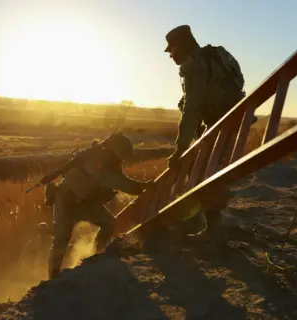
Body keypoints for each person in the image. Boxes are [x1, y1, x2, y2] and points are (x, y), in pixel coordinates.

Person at [164, 24, 252, 242]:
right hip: (231, 121)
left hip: (223, 124)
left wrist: (180, 148)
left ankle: (208, 227)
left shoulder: (196, 67)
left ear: (182, 46)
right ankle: (207, 222)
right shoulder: (213, 57)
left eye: (172, 49)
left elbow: (192, 109)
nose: (171, 56)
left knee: (200, 170)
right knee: (204, 170)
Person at [47, 132, 153, 279]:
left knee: (108, 223)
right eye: (123, 154)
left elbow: (119, 179)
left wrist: (143, 187)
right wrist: (143, 187)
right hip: (67, 202)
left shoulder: (109, 161)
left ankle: (96, 254)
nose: (124, 158)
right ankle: (53, 276)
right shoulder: (98, 162)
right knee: (61, 239)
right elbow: (120, 183)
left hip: (86, 203)